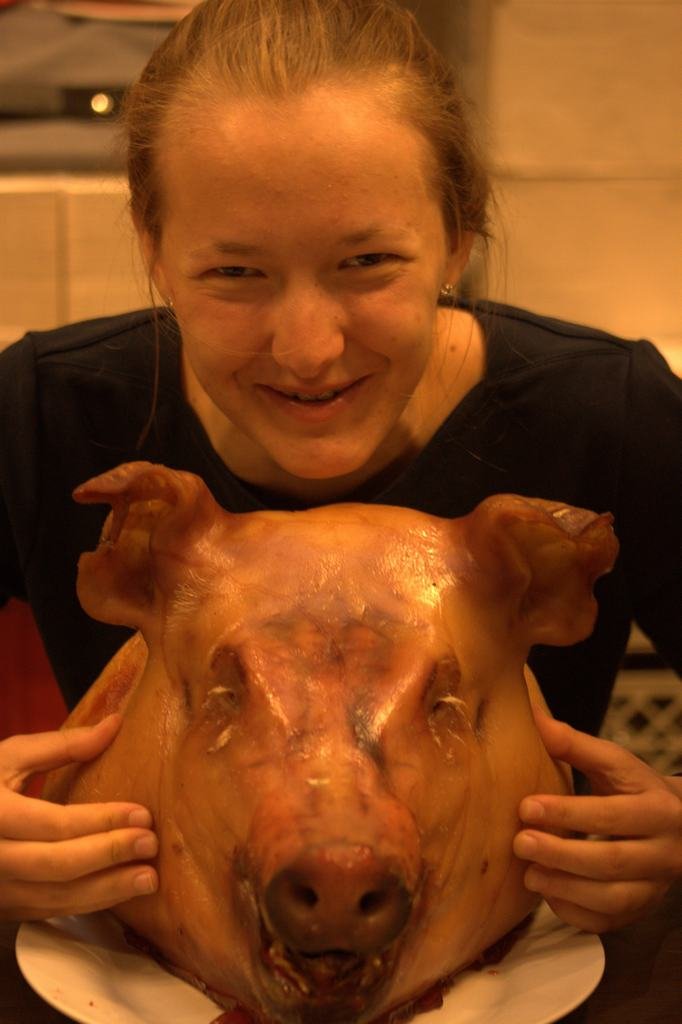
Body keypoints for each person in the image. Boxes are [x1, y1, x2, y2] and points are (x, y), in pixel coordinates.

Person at [1, 0, 680, 933]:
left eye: (367, 262)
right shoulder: (44, 412)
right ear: (153, 249)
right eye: (235, 274)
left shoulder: (609, 415)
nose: (309, 349)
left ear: (459, 236)